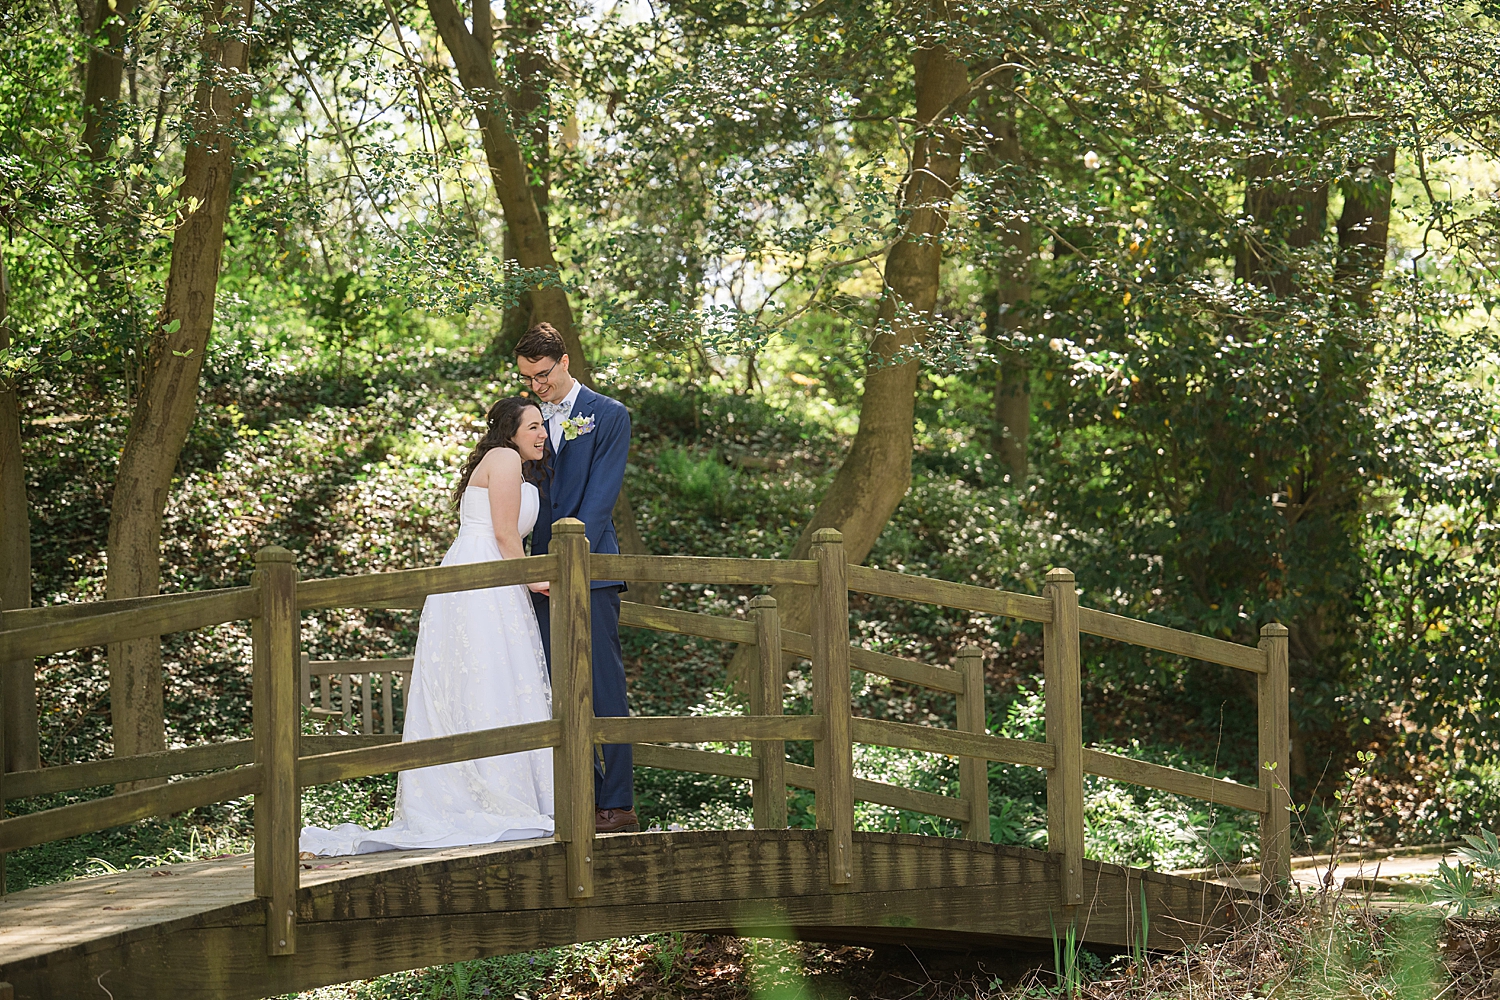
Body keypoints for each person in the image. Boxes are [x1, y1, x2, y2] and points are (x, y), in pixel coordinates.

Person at [299, 397, 556, 856]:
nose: (541, 433)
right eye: (533, 426)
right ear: (510, 431)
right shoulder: (504, 459)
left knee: (496, 677)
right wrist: (534, 578)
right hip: (484, 575)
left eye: (542, 425)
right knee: (488, 677)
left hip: (492, 573)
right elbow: (502, 533)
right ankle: (489, 792)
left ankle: (504, 788)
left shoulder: (509, 462)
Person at [514, 322, 639, 834]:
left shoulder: (609, 415)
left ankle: (619, 803)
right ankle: (581, 795)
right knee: (554, 687)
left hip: (590, 571)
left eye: (543, 375)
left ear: (565, 362)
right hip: (540, 575)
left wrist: (570, 555)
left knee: (604, 685)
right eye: (528, 379)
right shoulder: (527, 418)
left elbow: (600, 499)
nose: (537, 386)